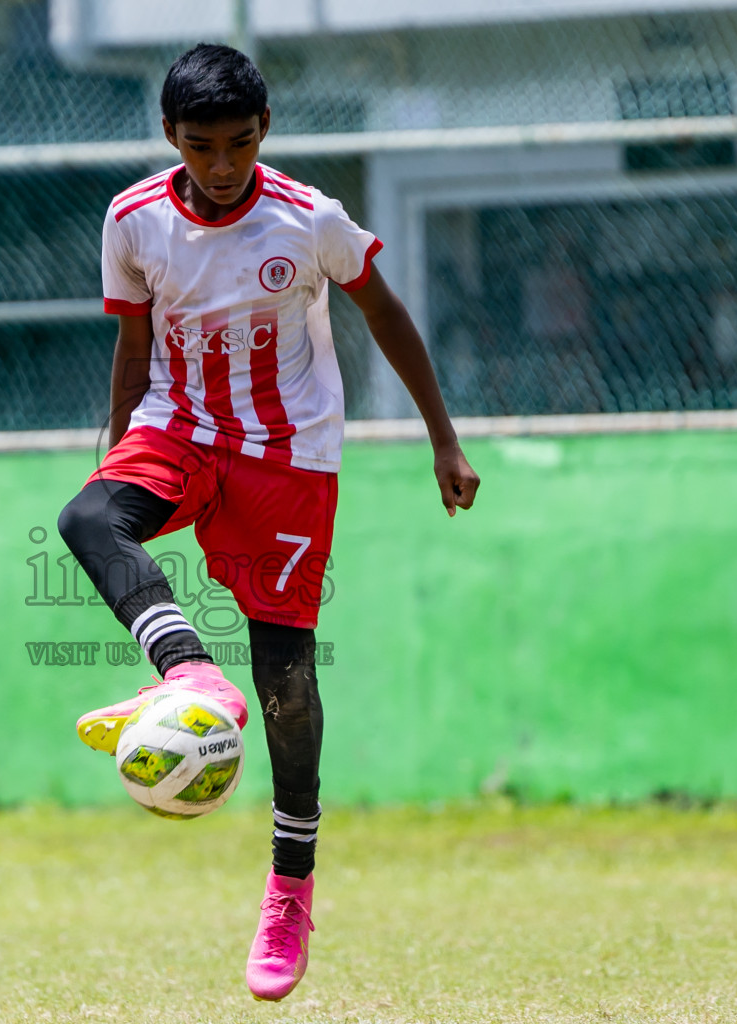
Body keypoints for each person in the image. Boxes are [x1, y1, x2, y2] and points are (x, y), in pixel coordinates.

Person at [56, 44, 480, 1000]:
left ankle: (290, 885)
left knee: (286, 678)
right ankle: (184, 674)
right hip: (179, 428)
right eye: (201, 145)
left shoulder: (308, 219)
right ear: (170, 137)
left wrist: (442, 441)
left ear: (265, 132)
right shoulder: (133, 222)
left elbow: (388, 314)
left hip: (288, 457)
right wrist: (117, 454)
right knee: (87, 520)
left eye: (239, 143)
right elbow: (133, 348)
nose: (221, 165)